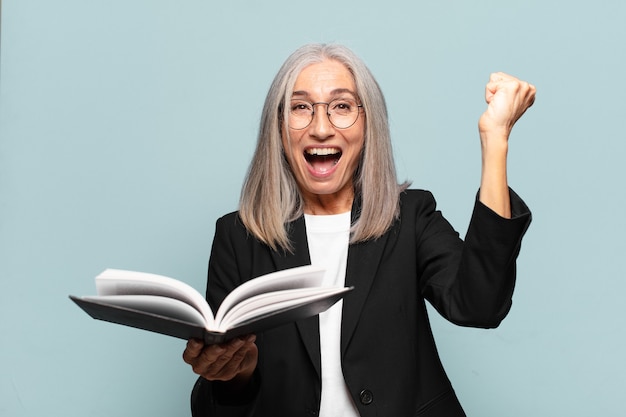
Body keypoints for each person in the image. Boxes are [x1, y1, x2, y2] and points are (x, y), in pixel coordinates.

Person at [183, 43, 535, 417]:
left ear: (368, 125)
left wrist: (495, 139)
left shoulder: (411, 217)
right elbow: (215, 407)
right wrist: (237, 373)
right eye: (300, 107)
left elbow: (480, 305)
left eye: (342, 106)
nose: (320, 128)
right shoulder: (237, 237)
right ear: (279, 128)